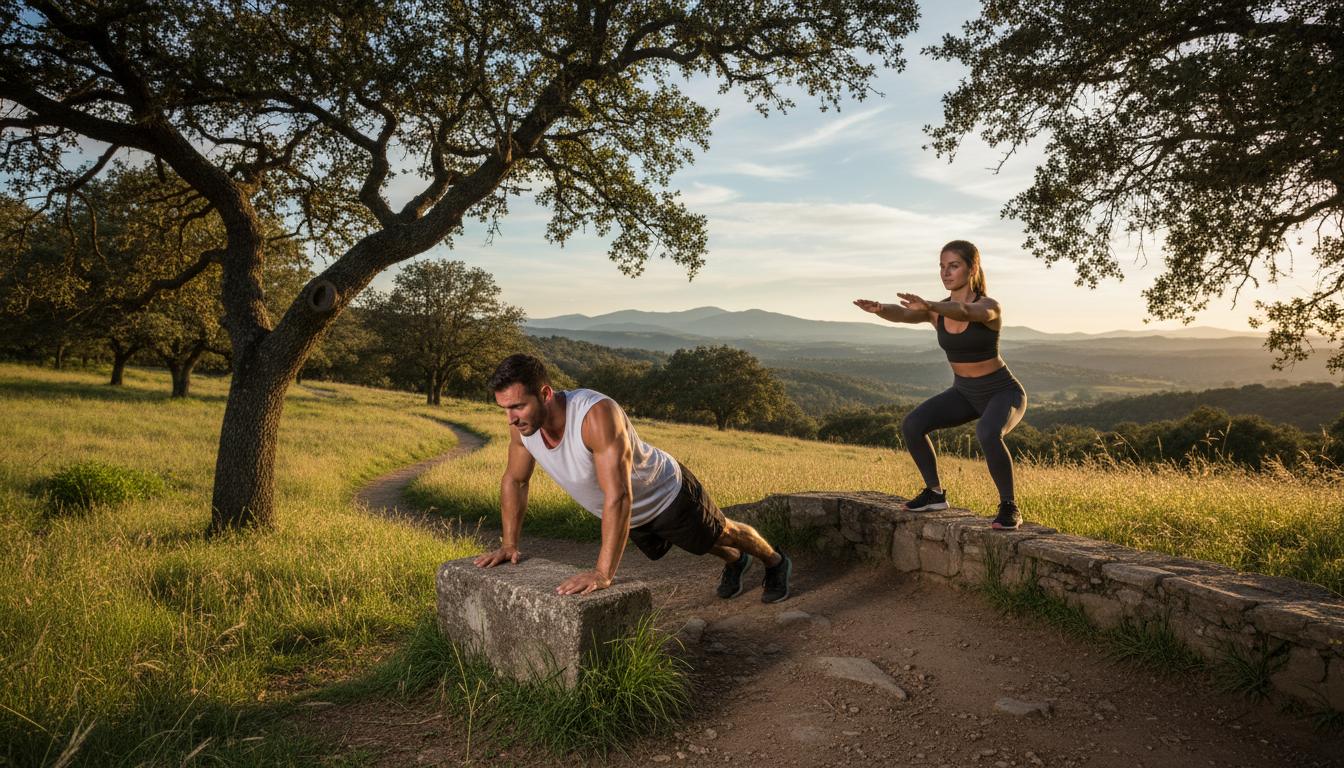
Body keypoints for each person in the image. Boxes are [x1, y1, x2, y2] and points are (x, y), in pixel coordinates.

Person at [473, 353, 793, 601]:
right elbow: (515, 480)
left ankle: (775, 561)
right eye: (504, 408)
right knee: (699, 543)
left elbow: (619, 495)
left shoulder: (595, 415)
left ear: (544, 393)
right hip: (631, 517)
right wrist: (509, 545)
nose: (511, 418)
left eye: (518, 406)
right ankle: (736, 561)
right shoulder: (523, 428)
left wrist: (602, 573)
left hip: (665, 494)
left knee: (723, 533)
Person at [853, 240, 1028, 530]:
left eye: (953, 266)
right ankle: (934, 494)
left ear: (972, 268)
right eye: (942, 266)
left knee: (987, 432)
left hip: (1002, 391)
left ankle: (1009, 506)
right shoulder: (935, 311)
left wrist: (931, 305)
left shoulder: (989, 306)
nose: (946, 272)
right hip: (964, 393)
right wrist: (880, 309)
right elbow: (903, 314)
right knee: (913, 424)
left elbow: (966, 312)